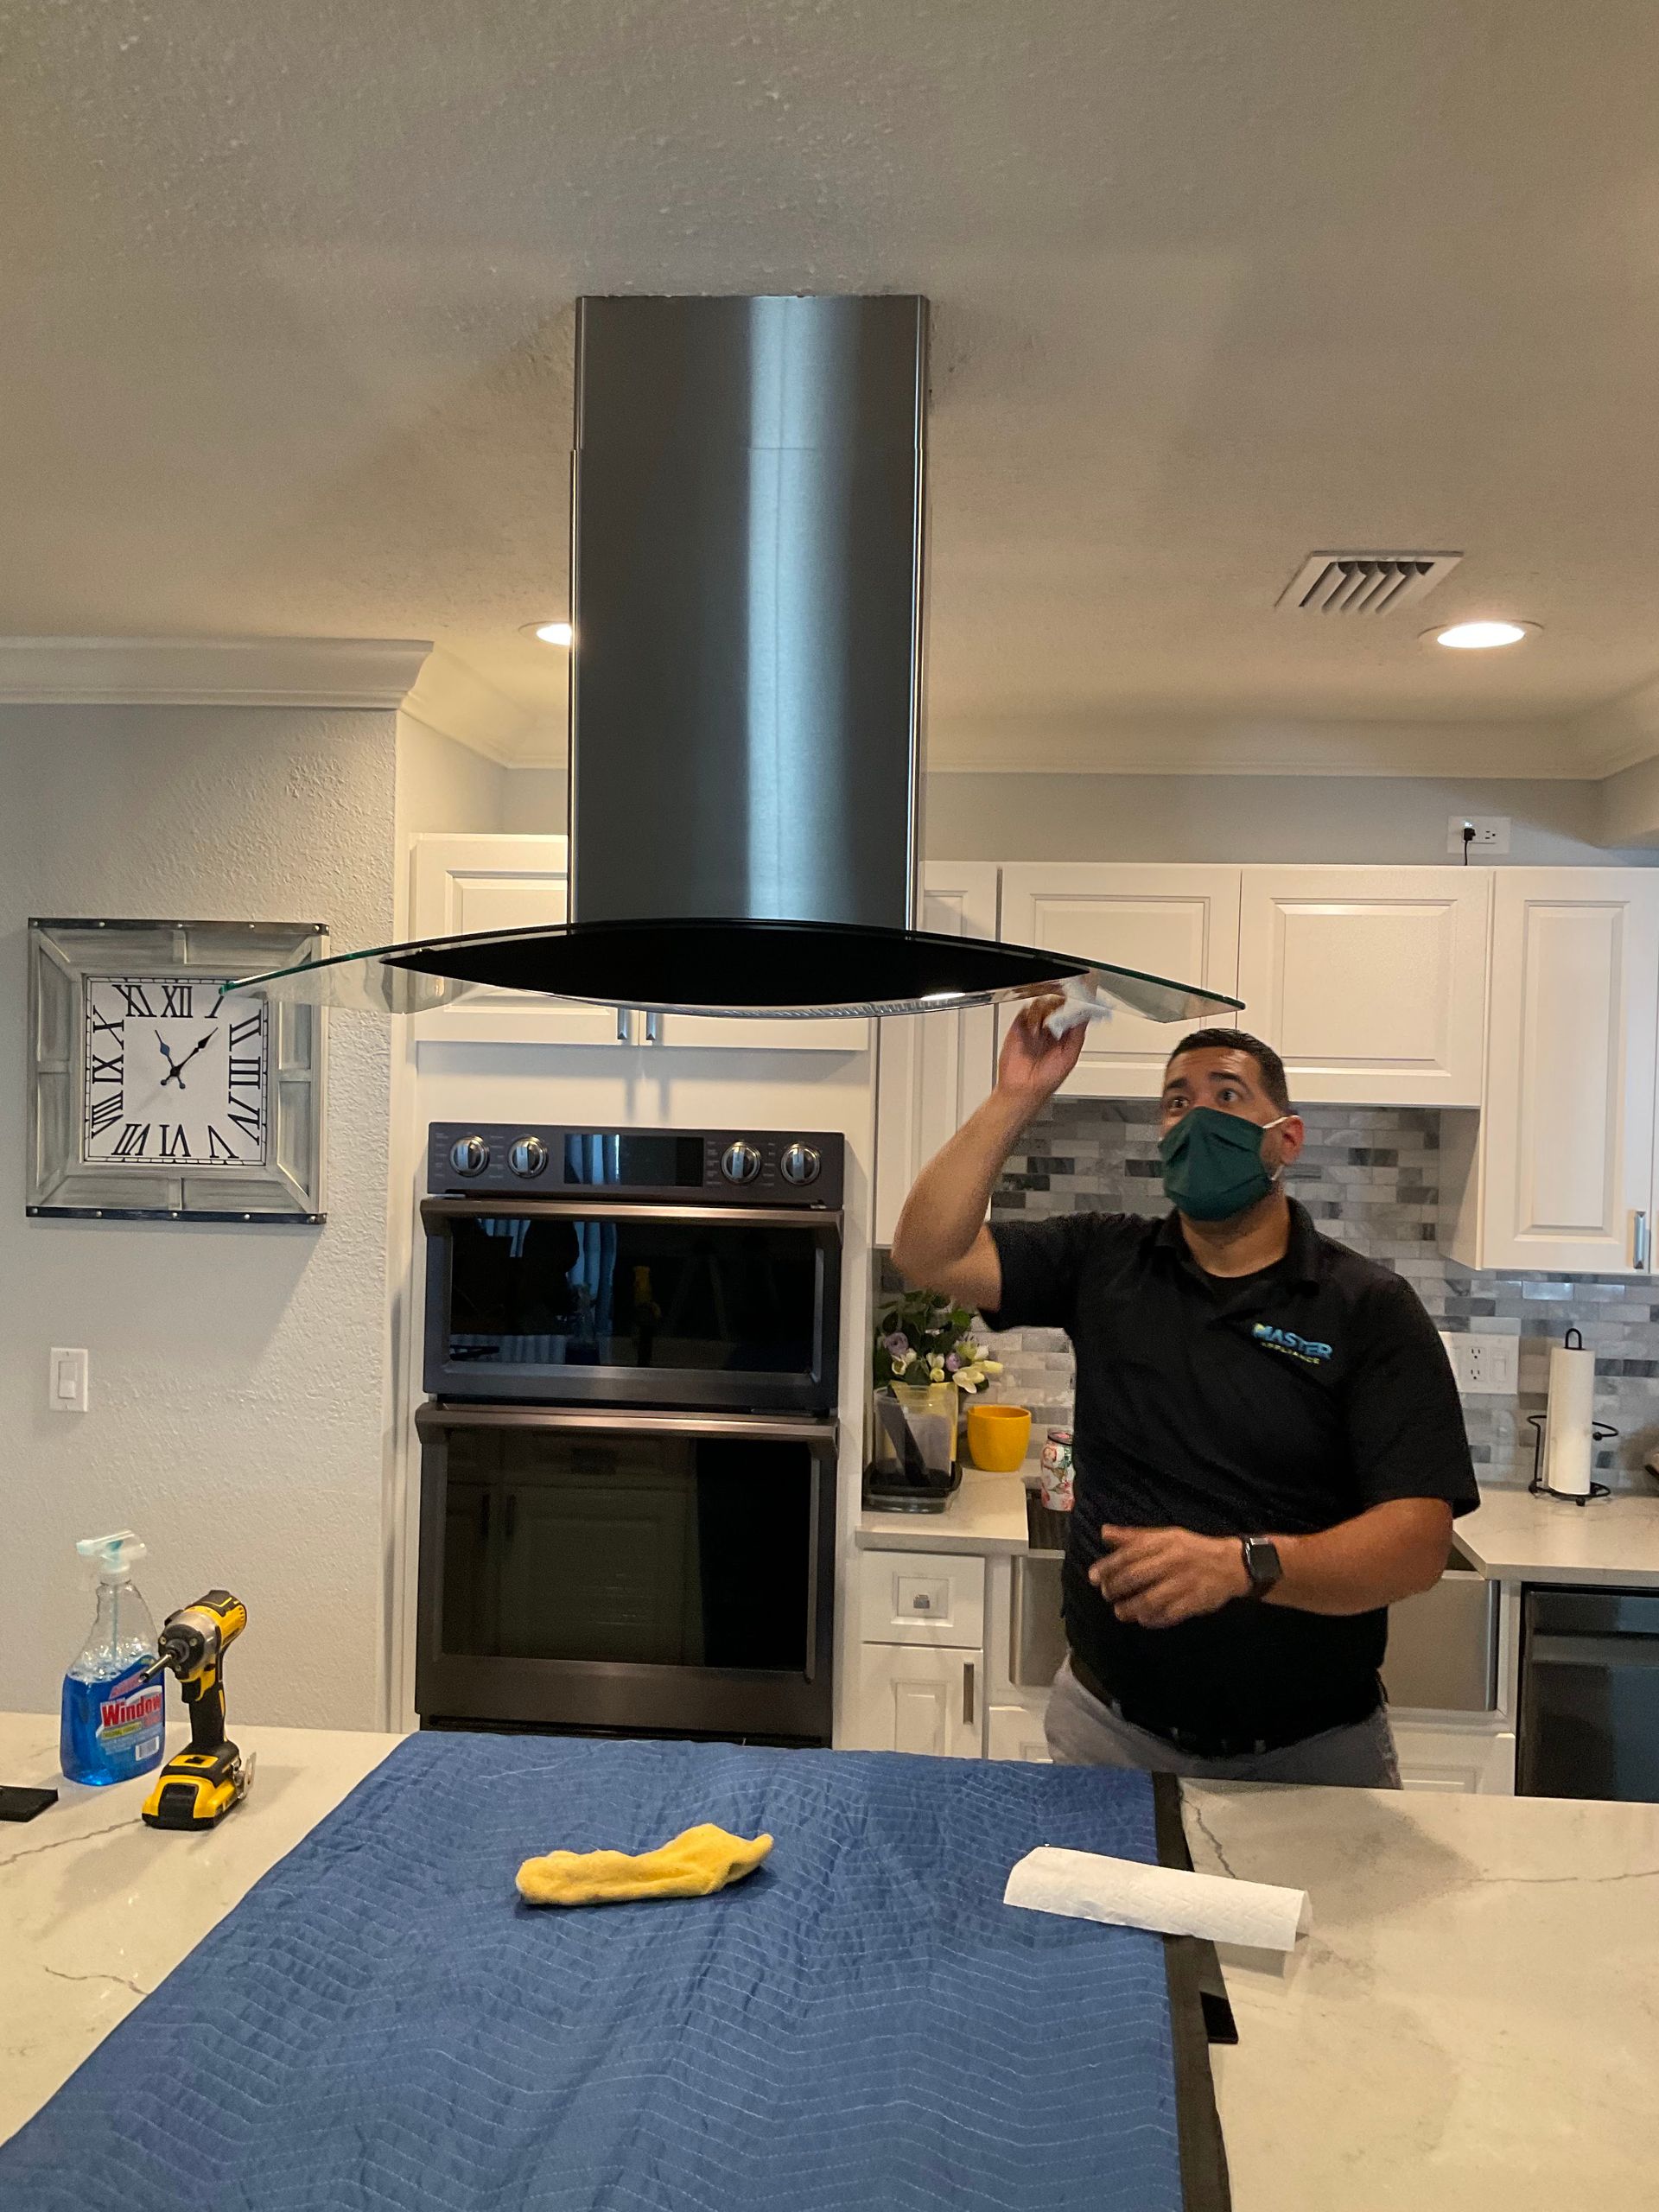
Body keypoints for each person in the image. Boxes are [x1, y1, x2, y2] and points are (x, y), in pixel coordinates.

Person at [889, 1007, 1479, 1787]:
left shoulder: (1367, 1307)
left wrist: (1247, 1565)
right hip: (1108, 1738)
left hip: (1312, 1758)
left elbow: (1417, 1543)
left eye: (1227, 1096)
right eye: (1176, 1100)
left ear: (1286, 1140)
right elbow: (928, 1253)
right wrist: (1015, 1097)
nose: (1196, 1115)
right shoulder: (1105, 1259)